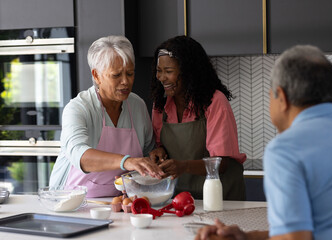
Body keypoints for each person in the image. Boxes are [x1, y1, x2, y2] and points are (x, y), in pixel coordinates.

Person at [195, 45, 332, 240]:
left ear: (281, 97)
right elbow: (322, 227)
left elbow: (295, 239)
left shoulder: (286, 150)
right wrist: (247, 237)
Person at [49, 36, 164, 197]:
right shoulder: (78, 108)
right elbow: (80, 156)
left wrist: (154, 155)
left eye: (130, 73)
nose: (125, 81)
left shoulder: (137, 105)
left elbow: (147, 151)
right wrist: (127, 161)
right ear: (96, 76)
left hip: (118, 203)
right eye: (116, 75)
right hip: (71, 202)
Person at [149, 35, 247, 200]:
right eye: (159, 71)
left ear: (188, 72)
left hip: (221, 197)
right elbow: (164, 145)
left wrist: (184, 166)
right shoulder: (160, 105)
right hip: (184, 197)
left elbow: (220, 163)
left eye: (169, 71)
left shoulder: (214, 102)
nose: (161, 78)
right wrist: (160, 152)